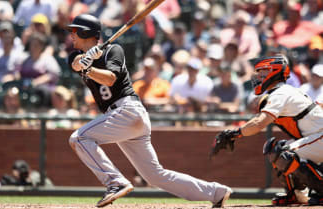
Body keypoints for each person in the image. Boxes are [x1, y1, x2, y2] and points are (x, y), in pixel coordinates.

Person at [67, 14, 232, 208]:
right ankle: (216, 192)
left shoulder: (114, 50)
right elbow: (75, 63)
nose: (72, 35)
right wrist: (87, 60)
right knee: (154, 176)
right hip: (122, 118)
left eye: (75, 31)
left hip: (127, 111)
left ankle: (115, 182)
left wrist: (90, 69)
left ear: (87, 33)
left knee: (78, 138)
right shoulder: (77, 55)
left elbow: (110, 79)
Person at [210, 54, 323, 206]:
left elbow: (259, 123)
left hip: (320, 136)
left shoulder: (281, 93)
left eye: (263, 72)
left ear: (274, 72)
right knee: (274, 149)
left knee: (284, 153)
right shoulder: (284, 91)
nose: (259, 77)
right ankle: (295, 195)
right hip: (317, 138)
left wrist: (233, 133)